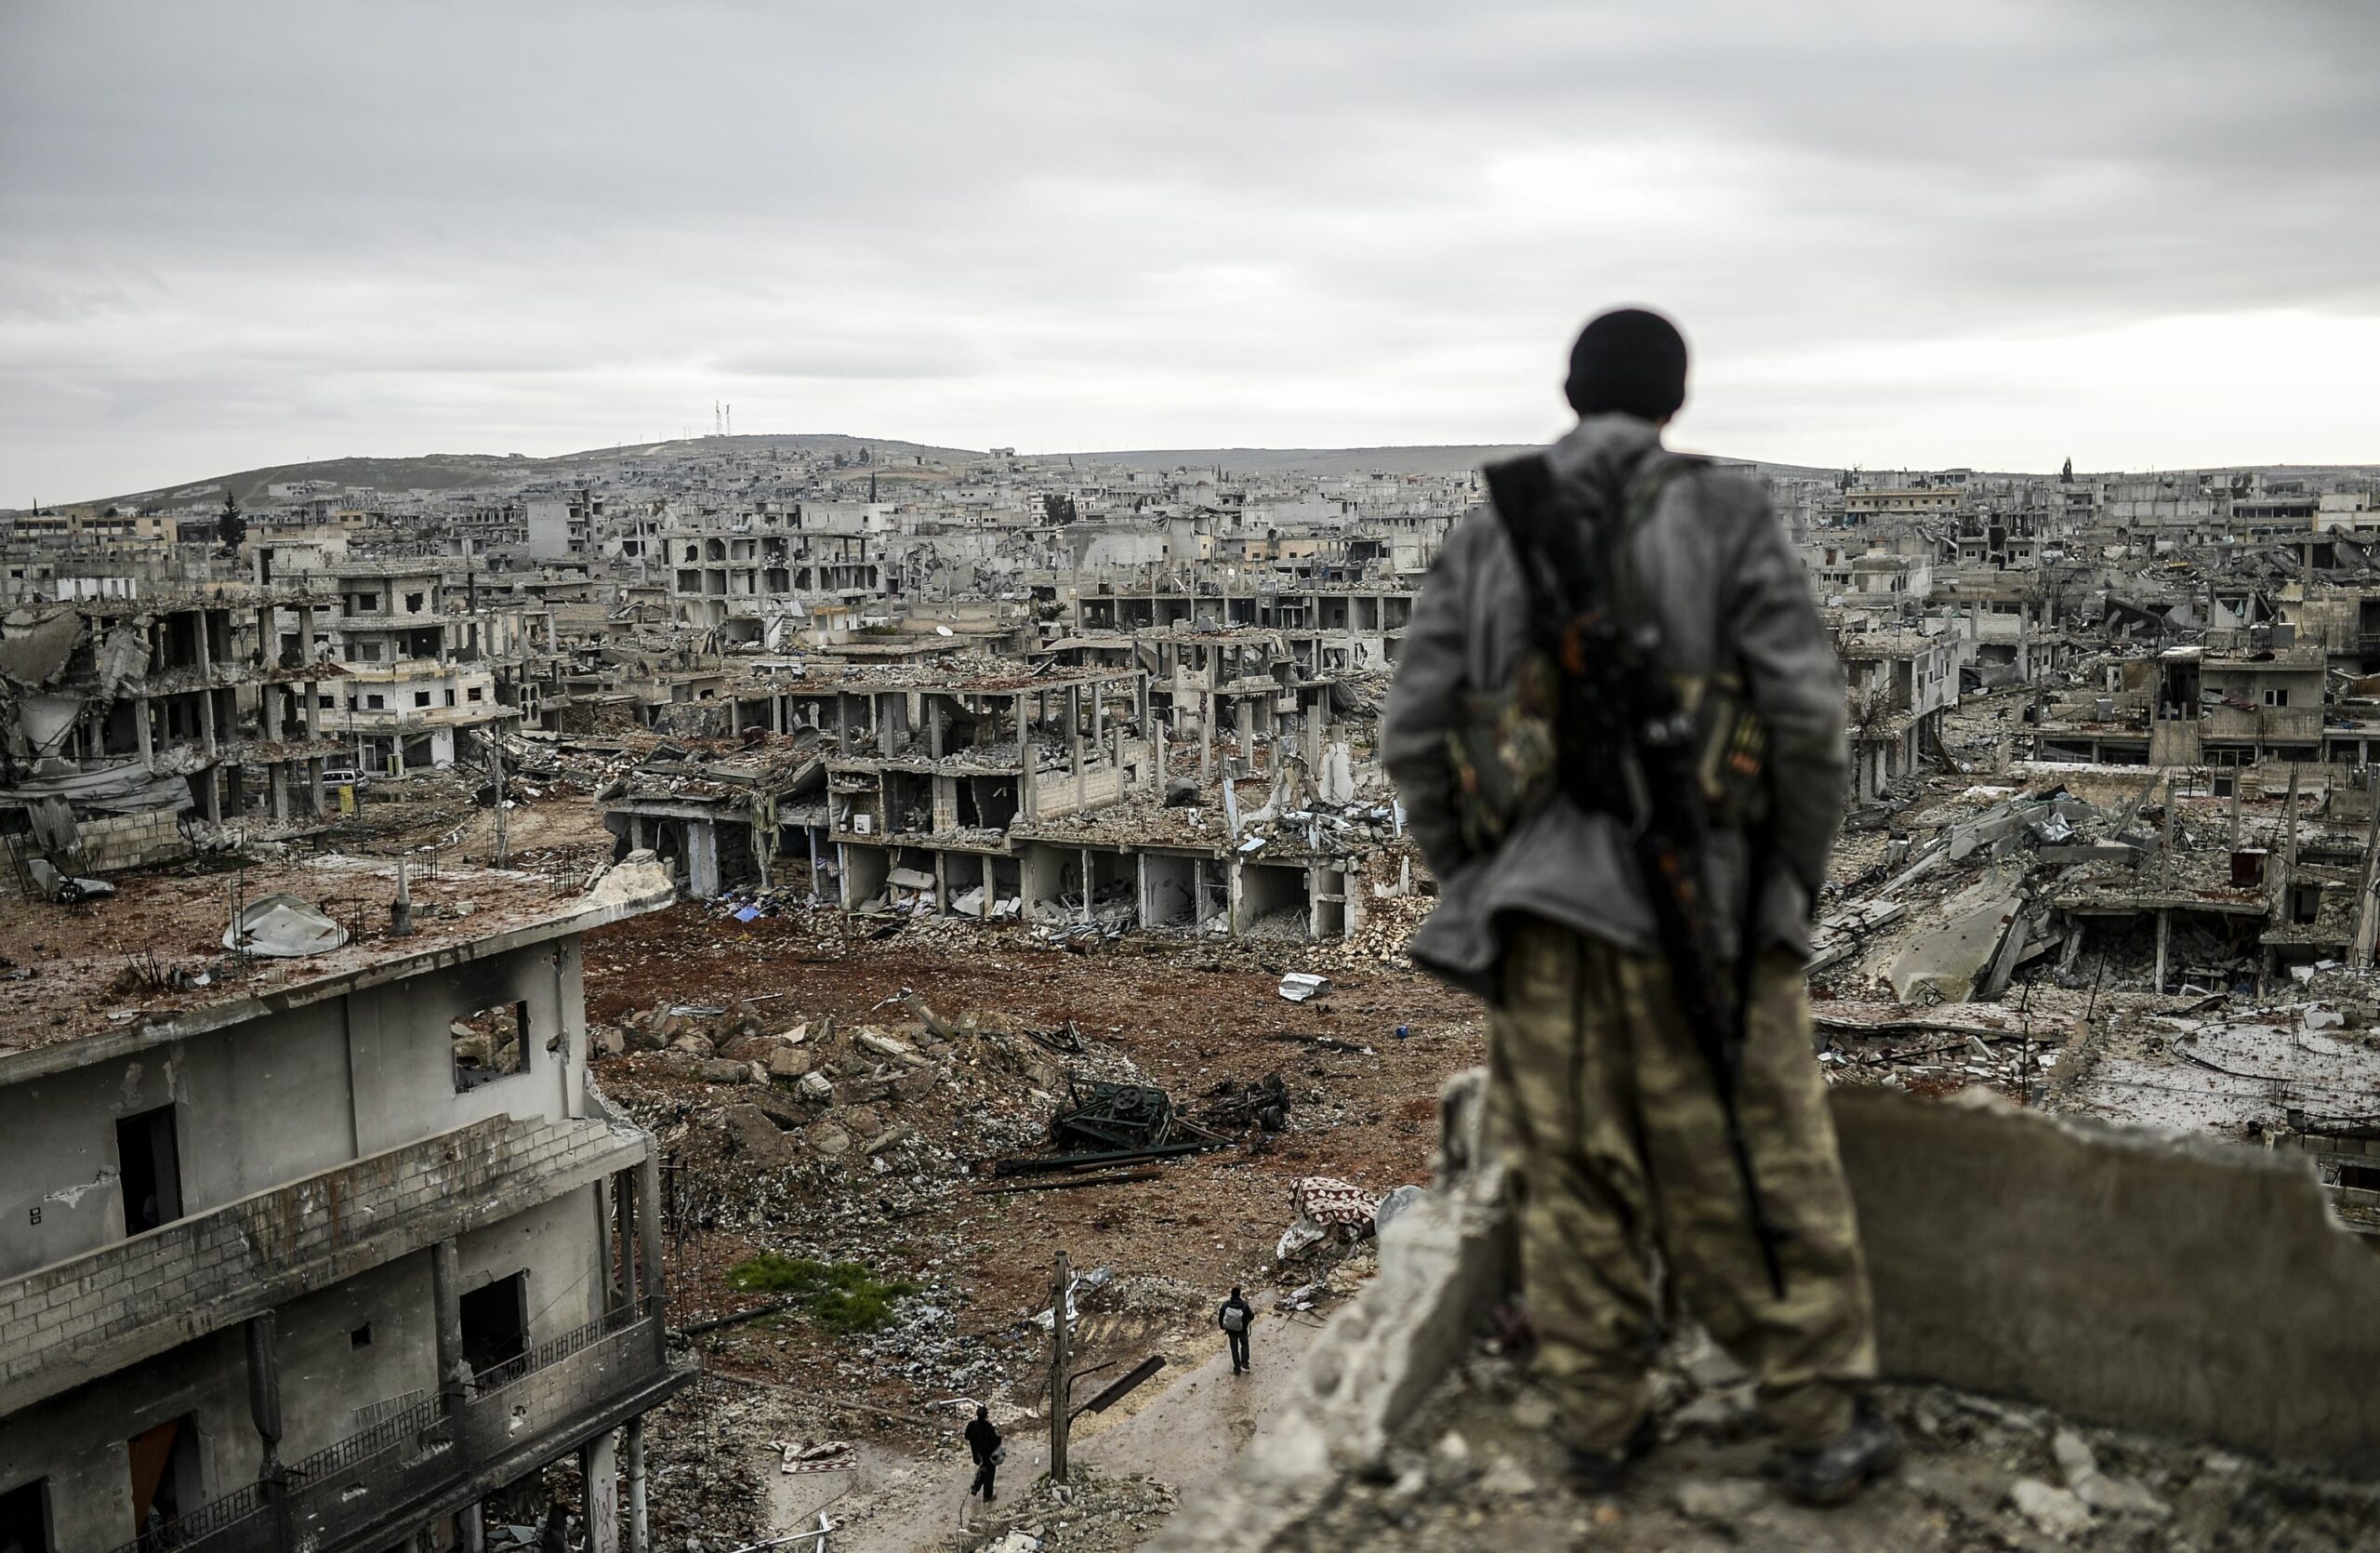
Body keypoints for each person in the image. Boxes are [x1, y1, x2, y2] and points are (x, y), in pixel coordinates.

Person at [1381, 307, 1899, 1506]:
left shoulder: (1487, 530)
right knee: (1755, 1158)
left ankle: (1600, 1421)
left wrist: (1481, 878)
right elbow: (1811, 726)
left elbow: (1413, 736)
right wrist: (1784, 887)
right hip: (1705, 910)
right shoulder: (1725, 516)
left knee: (1574, 1171)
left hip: (1544, 923)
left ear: (1570, 392)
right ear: (1675, 400)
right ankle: (1818, 1420)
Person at [965, 1405, 1003, 1502]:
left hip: (977, 1456)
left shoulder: (972, 1425)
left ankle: (975, 1487)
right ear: (986, 1416)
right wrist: (1000, 1439)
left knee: (982, 1470)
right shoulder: (988, 1427)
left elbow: (967, 1436)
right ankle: (987, 1496)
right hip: (988, 1456)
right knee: (989, 1474)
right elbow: (994, 1441)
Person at [1218, 1286, 1254, 1374]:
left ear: (1231, 1294)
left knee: (1234, 1349)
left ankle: (1237, 1369)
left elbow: (1221, 1317)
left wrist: (1223, 1327)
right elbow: (1251, 1316)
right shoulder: (1244, 1305)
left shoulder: (1226, 1305)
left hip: (1231, 1331)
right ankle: (1245, 1362)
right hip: (1242, 1330)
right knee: (1244, 1344)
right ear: (1239, 1294)